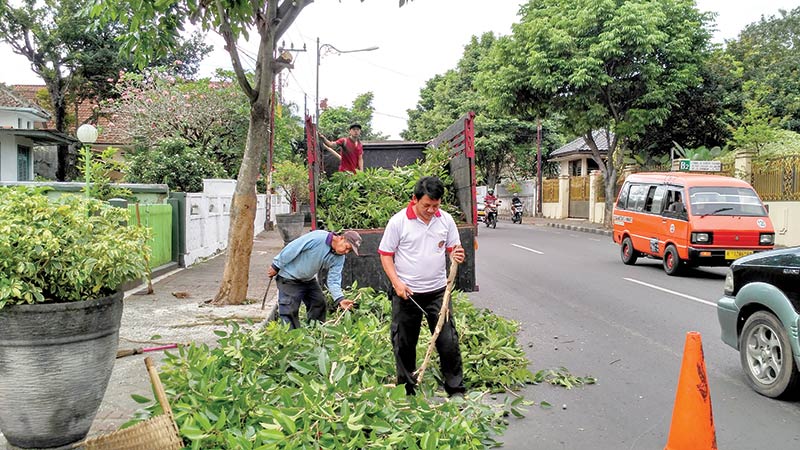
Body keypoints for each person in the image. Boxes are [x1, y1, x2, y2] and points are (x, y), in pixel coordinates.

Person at [378, 176, 467, 397]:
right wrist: (397, 284)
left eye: (435, 206)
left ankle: (455, 388)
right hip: (407, 293)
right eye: (426, 205)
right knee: (404, 342)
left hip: (438, 292)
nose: (431, 210)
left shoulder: (445, 220)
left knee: (447, 340)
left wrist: (457, 254)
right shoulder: (398, 222)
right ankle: (407, 389)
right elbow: (386, 255)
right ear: (414, 200)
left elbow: (454, 248)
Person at [268, 230, 362, 329]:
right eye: (347, 247)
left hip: (308, 279)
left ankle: (315, 332)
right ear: (341, 238)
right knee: (289, 310)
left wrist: (340, 299)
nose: (346, 252)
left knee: (319, 303)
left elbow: (334, 280)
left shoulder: (339, 258)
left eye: (349, 251)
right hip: (289, 278)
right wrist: (276, 265)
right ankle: (290, 339)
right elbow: (293, 248)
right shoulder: (318, 238)